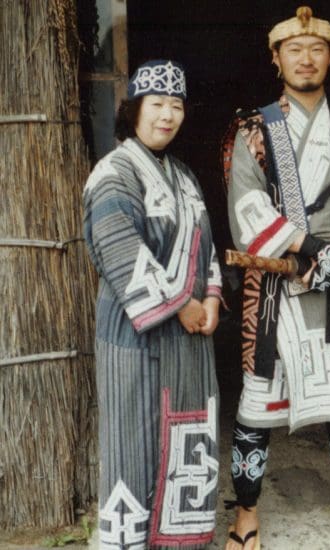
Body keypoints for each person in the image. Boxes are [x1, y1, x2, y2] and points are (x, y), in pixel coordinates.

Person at [222, 6, 330, 549]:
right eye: (294, 50)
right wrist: (311, 246)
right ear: (275, 58)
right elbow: (246, 204)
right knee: (258, 398)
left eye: (316, 49)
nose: (306, 58)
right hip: (274, 285)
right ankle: (246, 511)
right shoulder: (253, 128)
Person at [83, 60, 222, 549]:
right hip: (134, 337)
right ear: (135, 110)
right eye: (157, 104)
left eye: (176, 105)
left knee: (187, 441)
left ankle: (178, 539)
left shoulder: (184, 176)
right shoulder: (114, 173)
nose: (167, 115)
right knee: (134, 445)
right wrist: (182, 306)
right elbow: (119, 247)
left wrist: (210, 298)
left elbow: (206, 244)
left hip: (189, 343)